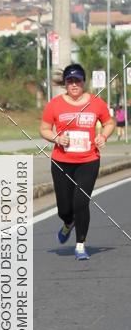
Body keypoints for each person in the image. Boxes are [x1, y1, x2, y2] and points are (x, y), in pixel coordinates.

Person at [40, 63, 115, 260]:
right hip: (61, 161)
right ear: (65, 83)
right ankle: (68, 223)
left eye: (77, 80)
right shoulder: (54, 104)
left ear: (84, 82)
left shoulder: (96, 103)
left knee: (81, 202)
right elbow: (44, 129)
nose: (74, 84)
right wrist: (56, 138)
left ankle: (80, 244)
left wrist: (103, 137)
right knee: (64, 209)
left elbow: (109, 123)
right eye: (70, 81)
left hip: (88, 160)